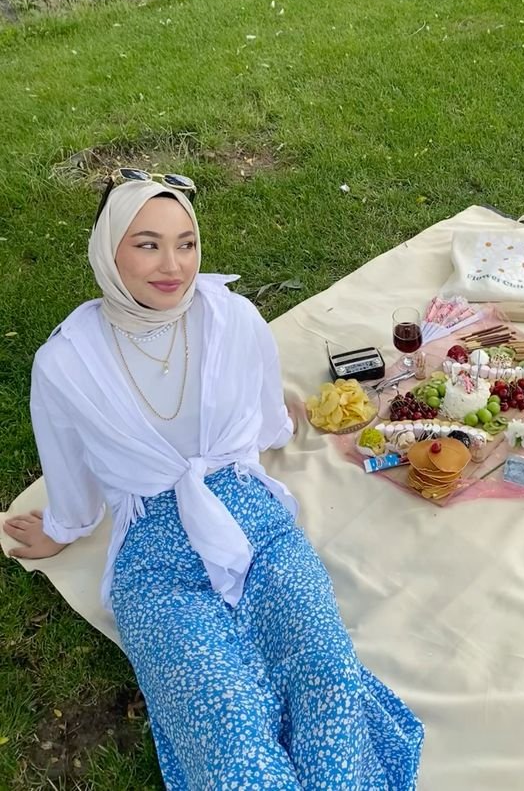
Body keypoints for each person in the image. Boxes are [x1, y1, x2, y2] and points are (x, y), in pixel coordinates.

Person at [3, 171, 424, 790]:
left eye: (186, 243)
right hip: (154, 556)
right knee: (226, 721)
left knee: (328, 679)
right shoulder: (66, 361)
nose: (173, 265)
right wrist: (64, 528)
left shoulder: (233, 319)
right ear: (108, 247)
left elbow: (261, 417)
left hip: (257, 526)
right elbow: (68, 463)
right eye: (146, 243)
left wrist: (282, 419)